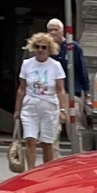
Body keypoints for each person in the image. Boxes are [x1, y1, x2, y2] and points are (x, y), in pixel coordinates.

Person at [16, 31, 66, 171]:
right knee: (30, 140)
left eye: (44, 47)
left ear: (49, 49)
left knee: (47, 143)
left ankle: (46, 172)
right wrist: (17, 109)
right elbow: (21, 88)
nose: (40, 50)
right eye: (37, 46)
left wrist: (63, 110)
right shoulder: (27, 64)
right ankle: (30, 171)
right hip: (30, 106)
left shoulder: (55, 66)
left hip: (49, 107)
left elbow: (60, 89)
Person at [47, 17, 90, 150]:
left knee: (73, 127)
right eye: (50, 30)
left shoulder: (72, 47)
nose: (53, 33)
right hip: (52, 94)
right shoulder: (47, 49)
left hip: (70, 92)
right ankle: (53, 160)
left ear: (62, 31)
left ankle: (77, 155)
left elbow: (81, 69)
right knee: (53, 130)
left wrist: (87, 92)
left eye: (56, 29)